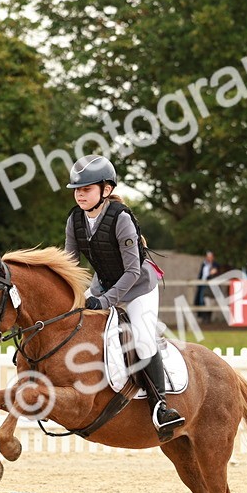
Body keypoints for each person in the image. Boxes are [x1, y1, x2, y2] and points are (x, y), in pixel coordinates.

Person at [63, 154, 186, 441]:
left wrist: (104, 302)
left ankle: (161, 407)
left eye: (87, 188)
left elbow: (132, 270)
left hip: (138, 287)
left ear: (105, 190)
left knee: (142, 338)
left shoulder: (121, 219)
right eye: (77, 189)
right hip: (103, 284)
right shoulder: (75, 219)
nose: (80, 194)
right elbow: (70, 266)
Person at [194, 250, 219, 324]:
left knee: (210, 302)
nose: (209, 258)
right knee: (202, 301)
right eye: (208, 257)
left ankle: (208, 318)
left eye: (210, 257)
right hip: (203, 285)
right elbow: (201, 275)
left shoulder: (215, 266)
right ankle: (204, 318)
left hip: (211, 287)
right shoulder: (204, 265)